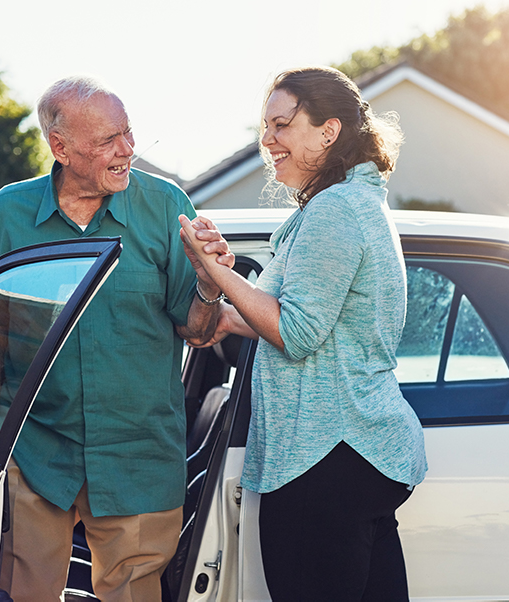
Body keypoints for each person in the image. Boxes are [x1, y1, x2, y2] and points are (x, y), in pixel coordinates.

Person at [0, 76, 232, 602]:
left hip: (137, 455)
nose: (127, 150)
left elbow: (199, 331)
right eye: (108, 140)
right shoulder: (9, 213)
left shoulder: (164, 206)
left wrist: (207, 286)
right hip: (36, 452)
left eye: (128, 134)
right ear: (60, 147)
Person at [179, 66, 428, 601]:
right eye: (265, 127)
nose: (267, 140)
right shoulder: (349, 203)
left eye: (282, 125)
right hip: (358, 456)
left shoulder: (335, 211)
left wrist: (219, 273)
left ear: (328, 131)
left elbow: (296, 332)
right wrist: (225, 311)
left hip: (327, 459)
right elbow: (300, 317)